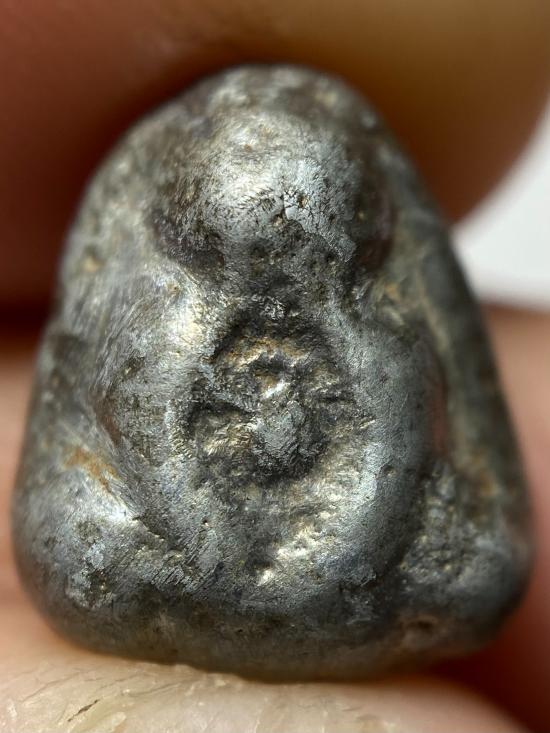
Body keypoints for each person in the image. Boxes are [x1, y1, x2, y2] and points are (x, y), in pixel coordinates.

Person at [0, 1, 549, 730]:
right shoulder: (153, 325)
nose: (270, 273)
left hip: (356, 565)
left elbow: (392, 470)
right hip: (180, 555)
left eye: (298, 247)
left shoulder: (383, 337)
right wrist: (223, 554)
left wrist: (314, 569)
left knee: (478, 566)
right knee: (77, 546)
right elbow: (153, 446)